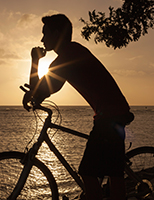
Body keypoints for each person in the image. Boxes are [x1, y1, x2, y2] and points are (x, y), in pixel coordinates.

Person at [22, 14, 134, 200]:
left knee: (88, 171)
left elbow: (41, 89)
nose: (42, 39)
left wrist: (35, 61)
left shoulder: (68, 57)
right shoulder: (72, 52)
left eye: (45, 33)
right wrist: (36, 93)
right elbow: (43, 89)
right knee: (114, 173)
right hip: (112, 112)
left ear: (57, 33)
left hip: (109, 115)